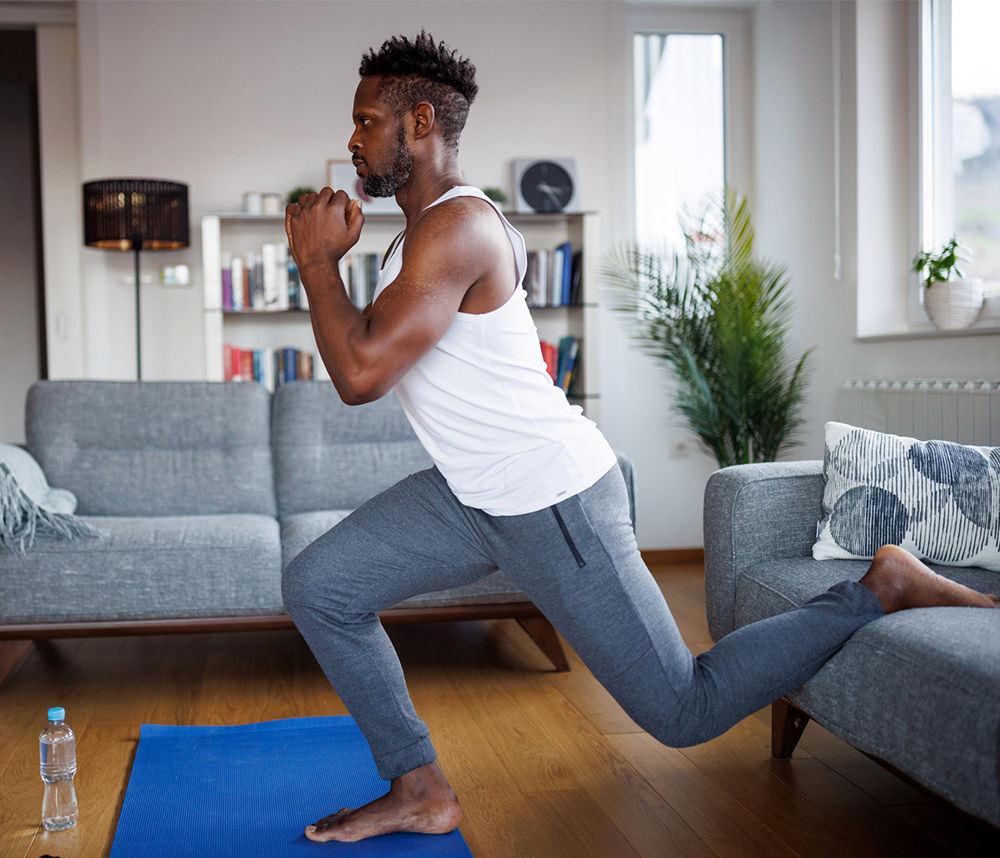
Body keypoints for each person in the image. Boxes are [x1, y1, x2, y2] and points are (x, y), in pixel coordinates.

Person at [282, 32, 999, 844]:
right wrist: (329, 264)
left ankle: (881, 586)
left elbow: (360, 375)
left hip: (553, 501)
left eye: (365, 120)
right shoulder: (413, 237)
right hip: (474, 492)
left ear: (418, 123)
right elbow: (368, 355)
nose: (352, 140)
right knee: (322, 585)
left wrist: (314, 265)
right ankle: (420, 787)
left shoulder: (459, 230)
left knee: (683, 710)